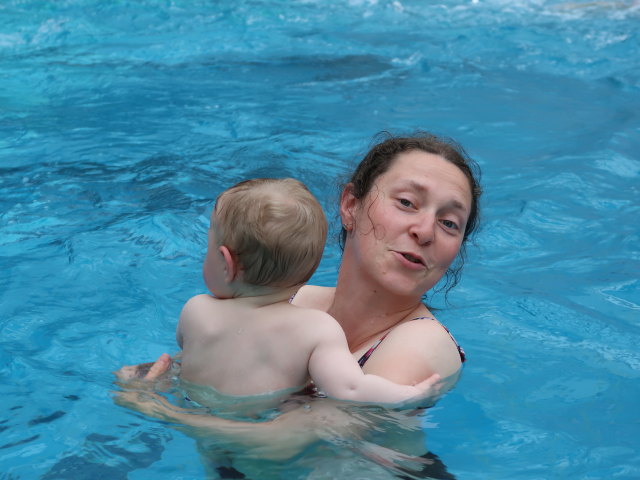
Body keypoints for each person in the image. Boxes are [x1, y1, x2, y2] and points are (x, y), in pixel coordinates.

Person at [116, 132, 482, 474]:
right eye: (406, 203)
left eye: (450, 223)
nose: (425, 231)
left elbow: (283, 442)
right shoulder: (298, 303)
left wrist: (160, 411)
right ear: (350, 205)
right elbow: (207, 367)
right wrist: (156, 380)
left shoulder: (420, 344)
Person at [171, 177, 441, 405]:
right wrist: (410, 394)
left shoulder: (195, 311)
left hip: (199, 423)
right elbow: (350, 389)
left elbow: (186, 363)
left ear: (226, 263)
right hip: (265, 443)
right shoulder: (315, 330)